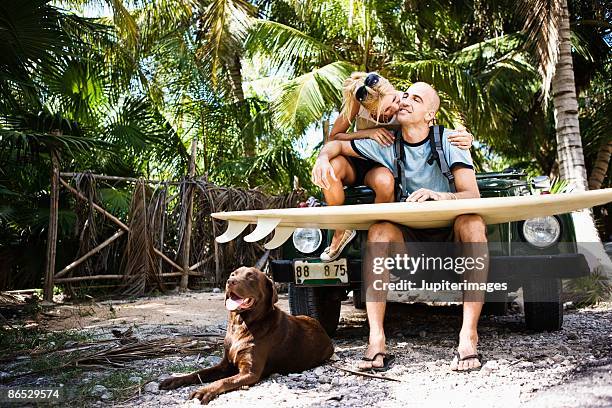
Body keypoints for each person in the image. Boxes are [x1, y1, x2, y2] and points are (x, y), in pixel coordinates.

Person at [311, 82, 488, 372]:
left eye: (415, 99)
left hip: (449, 236)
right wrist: (322, 158)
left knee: (473, 222)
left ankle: (468, 335)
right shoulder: (388, 143)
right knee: (379, 230)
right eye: (405, 95)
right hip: (410, 237)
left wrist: (440, 196)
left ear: (430, 114)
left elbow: (472, 195)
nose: (405, 101)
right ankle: (376, 339)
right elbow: (336, 144)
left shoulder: (449, 141)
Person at [320, 72, 474, 262]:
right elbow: (334, 138)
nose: (397, 106)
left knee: (384, 181)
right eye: (385, 110)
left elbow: (429, 126)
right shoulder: (360, 103)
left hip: (385, 158)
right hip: (367, 149)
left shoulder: (404, 100)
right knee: (331, 167)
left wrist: (465, 137)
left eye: (396, 99)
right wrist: (369, 133)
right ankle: (340, 230)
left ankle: (381, 240)